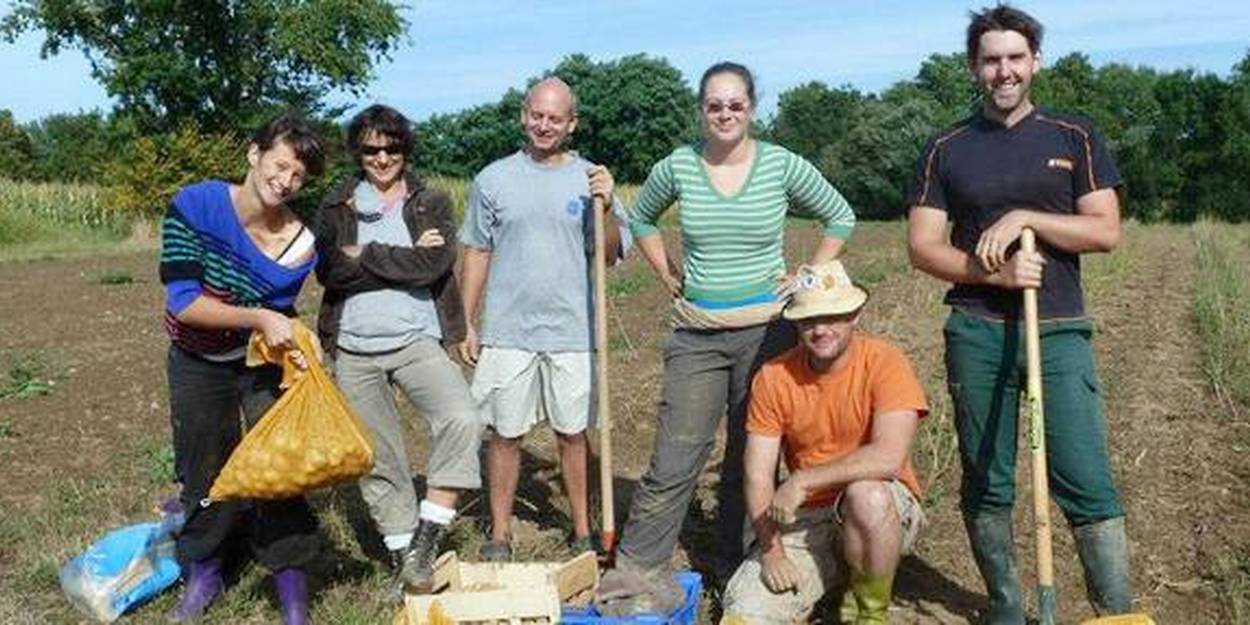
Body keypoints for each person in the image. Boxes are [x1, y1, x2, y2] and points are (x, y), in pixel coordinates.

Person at [600, 61, 857, 608]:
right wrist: (666, 272)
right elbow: (640, 217)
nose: (724, 113)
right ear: (702, 109)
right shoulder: (679, 166)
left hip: (767, 334)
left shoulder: (781, 164)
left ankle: (735, 567)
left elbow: (840, 215)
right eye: (714, 105)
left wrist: (805, 275)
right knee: (676, 456)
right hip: (697, 333)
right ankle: (638, 570)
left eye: (735, 104)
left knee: (751, 457)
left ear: (751, 109)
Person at [907, 5, 1131, 622]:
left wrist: (1028, 218)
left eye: (1015, 58)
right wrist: (993, 273)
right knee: (987, 480)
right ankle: (1007, 609)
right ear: (974, 67)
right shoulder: (946, 148)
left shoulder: (1073, 134)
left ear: (1034, 61)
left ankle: (1115, 612)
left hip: (1058, 330)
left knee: (1086, 478)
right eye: (991, 60)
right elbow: (923, 246)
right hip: (977, 329)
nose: (1004, 71)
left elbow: (1104, 230)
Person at [159, 112, 325, 625]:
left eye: (298, 175)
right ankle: (205, 569)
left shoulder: (301, 243)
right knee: (204, 466)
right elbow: (185, 301)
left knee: (280, 468)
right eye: (279, 165)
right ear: (254, 154)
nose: (286, 181)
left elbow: (280, 311)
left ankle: (292, 584)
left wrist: (296, 333)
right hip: (196, 358)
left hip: (259, 362)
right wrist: (258, 316)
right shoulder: (196, 204)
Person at [313, 104, 482, 594]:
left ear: (405, 150)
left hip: (416, 341)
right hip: (353, 347)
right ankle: (402, 560)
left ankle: (428, 537)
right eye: (370, 149)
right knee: (378, 456)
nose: (381, 157)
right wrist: (399, 257)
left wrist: (364, 254)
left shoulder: (430, 201)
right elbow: (328, 270)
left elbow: (433, 265)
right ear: (357, 152)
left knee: (462, 418)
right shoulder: (337, 203)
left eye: (391, 148)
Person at [458, 77, 628, 561]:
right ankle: (500, 533)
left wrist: (610, 205)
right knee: (506, 433)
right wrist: (467, 320)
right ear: (523, 115)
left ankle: (581, 529)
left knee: (573, 433)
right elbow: (477, 250)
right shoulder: (493, 179)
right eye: (537, 115)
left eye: (555, 118)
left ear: (571, 123)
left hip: (574, 330)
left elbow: (612, 253)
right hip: (509, 328)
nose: (544, 125)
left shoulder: (592, 179)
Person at [718, 261, 927, 625]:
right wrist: (771, 551)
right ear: (796, 324)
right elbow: (757, 475)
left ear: (855, 315)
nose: (820, 329)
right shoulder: (774, 377)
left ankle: (868, 610)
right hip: (806, 516)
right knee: (744, 614)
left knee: (867, 495)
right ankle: (837, 576)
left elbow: (889, 457)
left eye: (833, 317)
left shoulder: (886, 362)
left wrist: (802, 480)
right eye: (808, 320)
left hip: (881, 504)